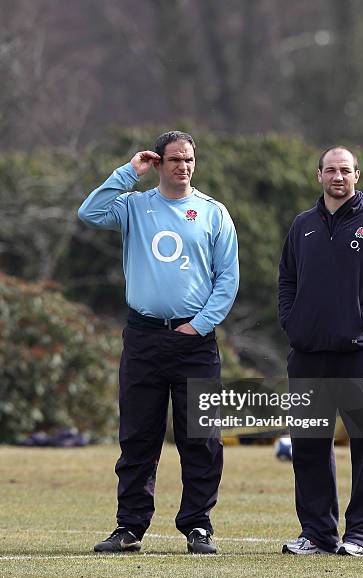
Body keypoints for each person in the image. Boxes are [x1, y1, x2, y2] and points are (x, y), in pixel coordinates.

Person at [78, 131, 239, 554]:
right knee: (138, 437)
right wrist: (129, 172)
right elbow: (90, 212)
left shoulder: (214, 213)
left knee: (201, 438)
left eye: (189, 160)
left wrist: (200, 325)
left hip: (195, 342)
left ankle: (198, 526)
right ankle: (129, 527)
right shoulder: (135, 206)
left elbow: (227, 280)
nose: (183, 167)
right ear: (159, 162)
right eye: (174, 160)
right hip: (144, 337)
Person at [278, 146, 363, 556]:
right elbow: (286, 281)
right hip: (308, 354)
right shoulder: (302, 226)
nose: (338, 176)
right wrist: (293, 321)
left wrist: (359, 321)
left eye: (345, 170)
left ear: (357, 175)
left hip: (358, 355)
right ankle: (317, 534)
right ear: (318, 176)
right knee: (310, 444)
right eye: (330, 170)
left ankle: (361, 536)